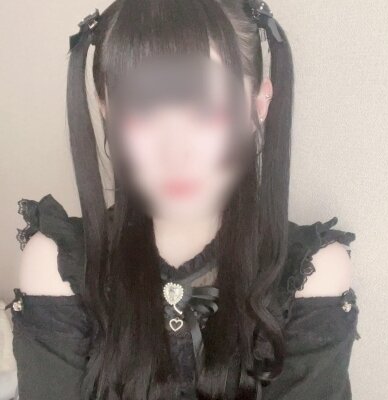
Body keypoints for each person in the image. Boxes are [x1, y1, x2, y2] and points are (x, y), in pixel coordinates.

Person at [7, 1, 360, 399]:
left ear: (258, 106)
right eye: (141, 111)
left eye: (207, 111)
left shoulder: (312, 276)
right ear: (106, 110)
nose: (175, 151)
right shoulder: (58, 267)